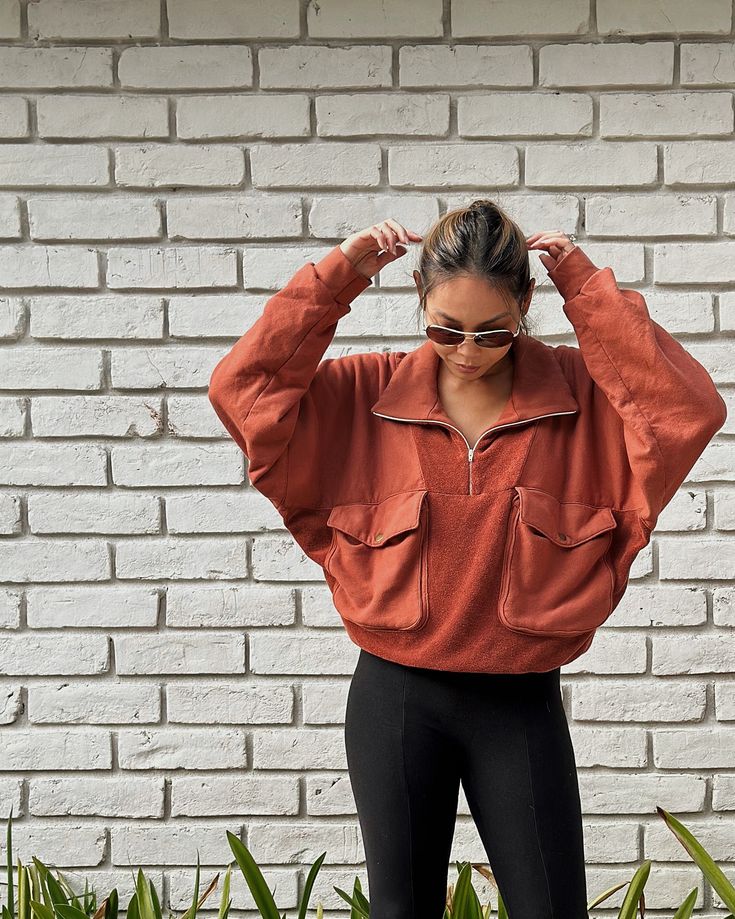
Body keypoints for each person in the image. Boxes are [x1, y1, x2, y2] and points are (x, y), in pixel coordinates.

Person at [207, 200, 727, 919]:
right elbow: (243, 391)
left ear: (525, 305)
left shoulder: (579, 396)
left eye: (493, 330)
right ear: (418, 297)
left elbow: (683, 410)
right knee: (400, 909)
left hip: (517, 704)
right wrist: (333, 281)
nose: (468, 349)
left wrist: (587, 289)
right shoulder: (364, 393)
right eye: (444, 327)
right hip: (394, 700)